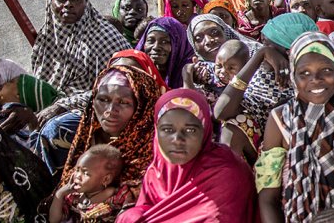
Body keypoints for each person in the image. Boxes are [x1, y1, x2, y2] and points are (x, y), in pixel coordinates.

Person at [256, 33, 334, 222]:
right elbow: (268, 197)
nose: (315, 79)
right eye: (304, 73)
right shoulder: (281, 119)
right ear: (293, 74)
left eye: (326, 70)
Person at [117, 89, 256, 222]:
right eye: (167, 129)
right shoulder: (156, 172)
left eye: (190, 129)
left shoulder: (227, 174)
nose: (177, 139)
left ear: (205, 131)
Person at [215, 13, 316, 164]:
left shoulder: (311, 82)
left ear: (289, 52)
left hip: (294, 154)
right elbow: (221, 112)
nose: (264, 50)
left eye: (268, 46)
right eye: (262, 44)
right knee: (235, 126)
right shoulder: (261, 74)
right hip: (259, 149)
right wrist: (260, 55)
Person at [59, 65, 164, 196]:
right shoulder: (87, 139)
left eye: (124, 102)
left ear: (142, 109)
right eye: (103, 100)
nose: (110, 110)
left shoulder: (154, 151)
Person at [34, 0, 132, 95]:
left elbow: (113, 91)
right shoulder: (46, 38)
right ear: (50, 2)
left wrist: (62, 105)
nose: (68, 4)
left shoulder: (104, 37)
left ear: (86, 2)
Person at [48, 144, 136, 223]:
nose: (77, 176)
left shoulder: (118, 196)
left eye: (85, 173)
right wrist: (60, 194)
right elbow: (54, 220)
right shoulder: (73, 196)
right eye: (77, 170)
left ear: (106, 179)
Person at [135, 17, 195, 89]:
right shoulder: (137, 72)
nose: (156, 47)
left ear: (179, 45)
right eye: (151, 41)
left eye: (164, 42)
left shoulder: (193, 74)